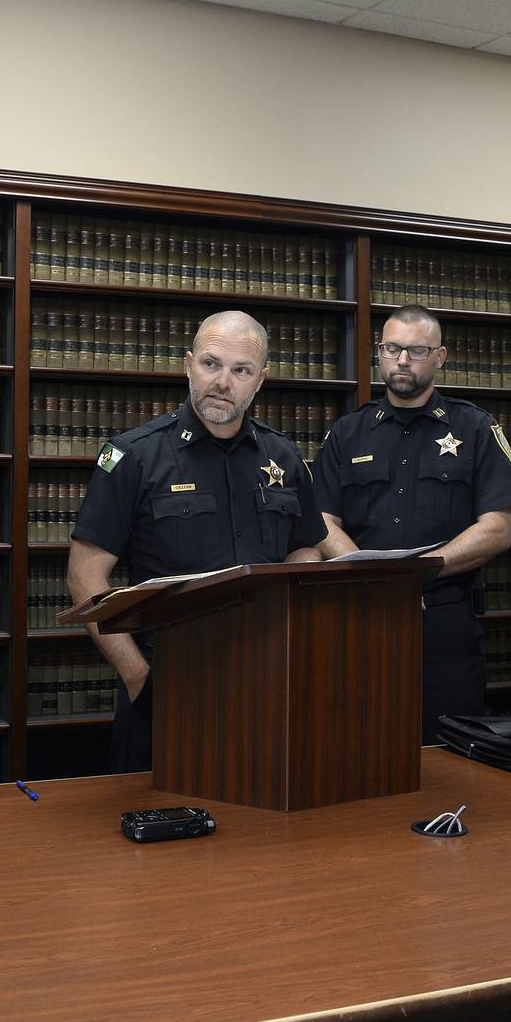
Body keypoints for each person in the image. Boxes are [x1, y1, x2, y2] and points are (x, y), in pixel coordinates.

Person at [67, 310, 327, 773]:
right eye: (211, 364)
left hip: (267, 678)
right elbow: (85, 573)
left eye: (241, 370)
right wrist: (138, 677)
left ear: (260, 380)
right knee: (156, 832)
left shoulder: (283, 456)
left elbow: (304, 549)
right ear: (188, 365)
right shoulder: (133, 456)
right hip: (169, 677)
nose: (223, 381)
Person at [312, 305, 511, 743]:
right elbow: (320, 522)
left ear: (440, 357)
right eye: (392, 349)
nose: (402, 361)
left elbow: (498, 529)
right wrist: (379, 580)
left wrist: (415, 575)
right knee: (355, 743)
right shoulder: (347, 433)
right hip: (362, 616)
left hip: (444, 621)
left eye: (416, 350)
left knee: (446, 752)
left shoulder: (477, 429)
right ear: (379, 352)